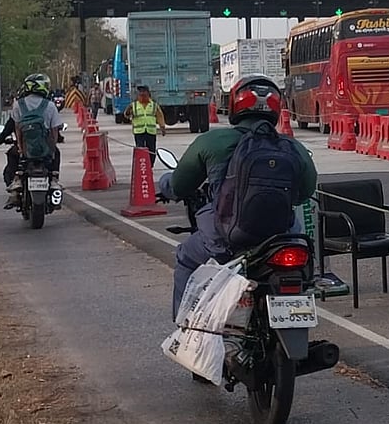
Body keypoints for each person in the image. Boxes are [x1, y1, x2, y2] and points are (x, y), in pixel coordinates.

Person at [160, 74, 316, 321]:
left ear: (236, 105)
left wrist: (166, 186)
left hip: (226, 240)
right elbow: (305, 193)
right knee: (301, 268)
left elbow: (179, 185)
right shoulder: (292, 147)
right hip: (281, 239)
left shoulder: (212, 141)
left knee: (185, 258)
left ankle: (187, 329)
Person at [6, 74, 64, 204]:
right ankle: (54, 180)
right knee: (57, 153)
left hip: (26, 149)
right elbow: (54, 130)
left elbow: (18, 128)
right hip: (45, 149)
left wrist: (21, 148)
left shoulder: (18, 105)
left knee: (11, 154)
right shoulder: (49, 105)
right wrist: (52, 148)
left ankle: (16, 181)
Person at [124, 85, 166, 164]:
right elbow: (126, 115)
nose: (142, 93)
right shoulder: (134, 105)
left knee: (151, 150)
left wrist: (162, 127)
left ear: (148, 93)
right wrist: (128, 111)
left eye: (144, 91)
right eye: (140, 92)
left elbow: (160, 116)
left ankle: (150, 165)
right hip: (139, 131)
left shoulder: (153, 105)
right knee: (140, 149)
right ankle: (142, 166)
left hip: (150, 131)